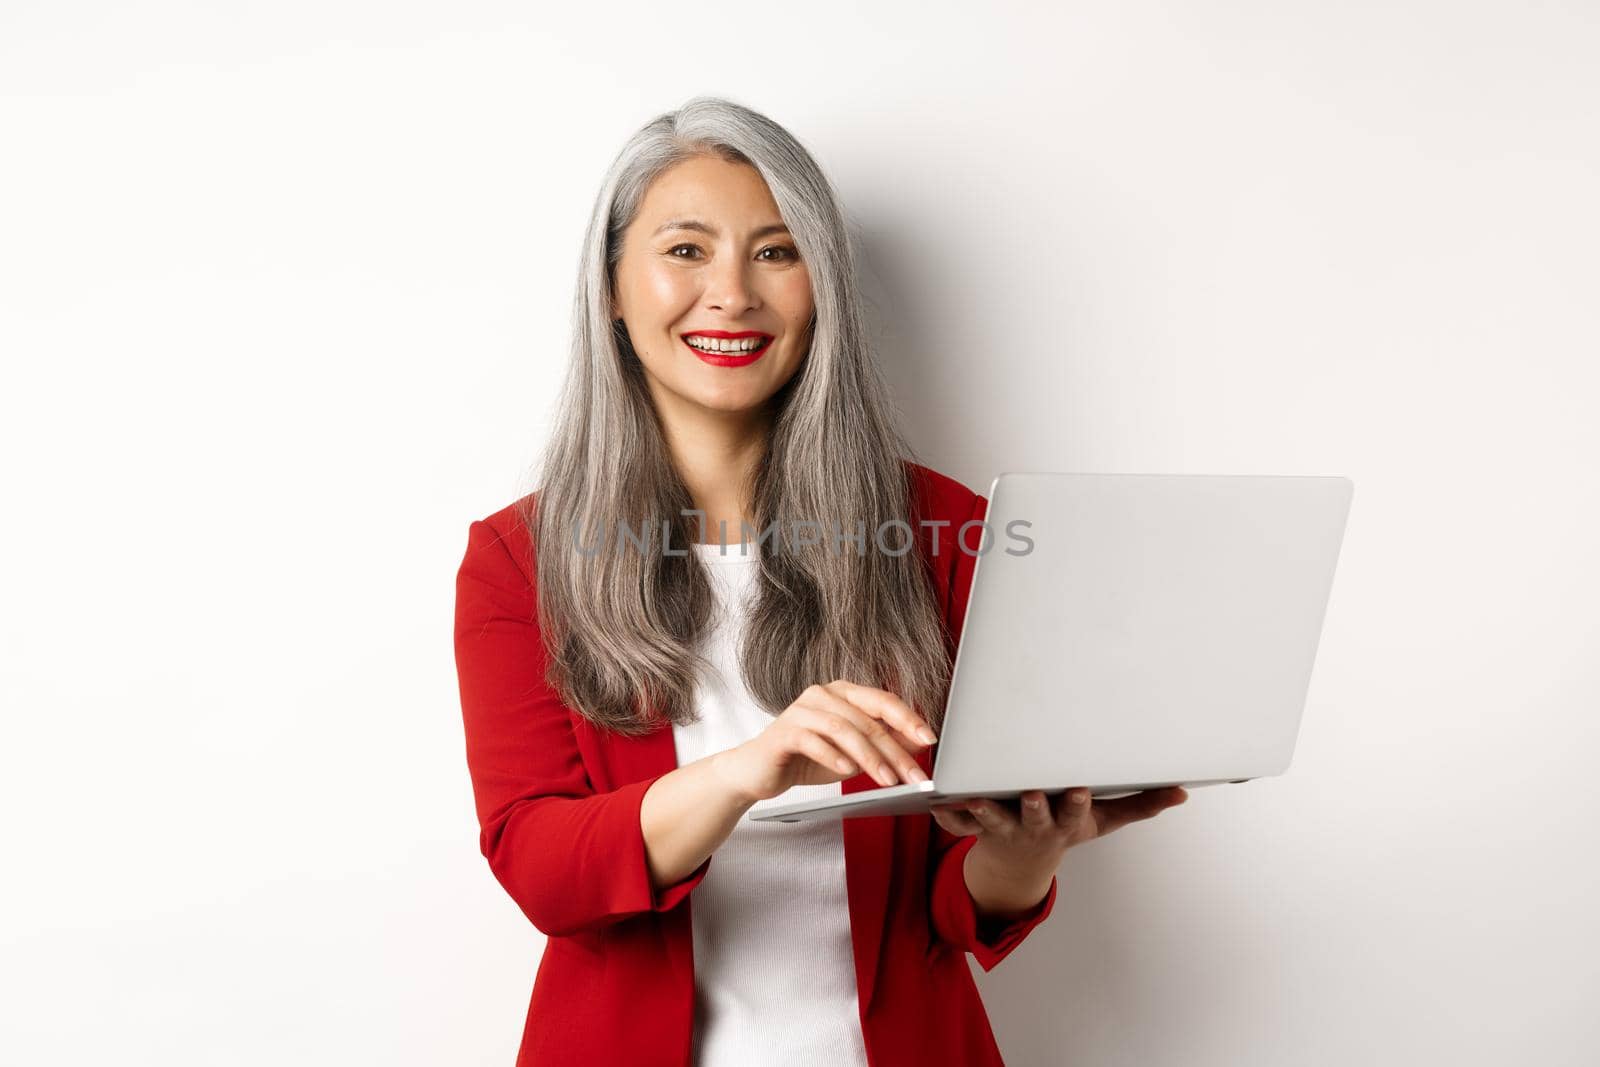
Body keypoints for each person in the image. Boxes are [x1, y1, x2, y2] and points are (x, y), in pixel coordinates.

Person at [452, 95, 1188, 1067]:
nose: (731, 294)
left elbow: (953, 907)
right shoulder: (521, 559)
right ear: (611, 290)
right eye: (684, 251)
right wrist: (749, 770)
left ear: (822, 286)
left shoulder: (948, 531)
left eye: (776, 250)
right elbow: (544, 868)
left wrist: (1022, 849)